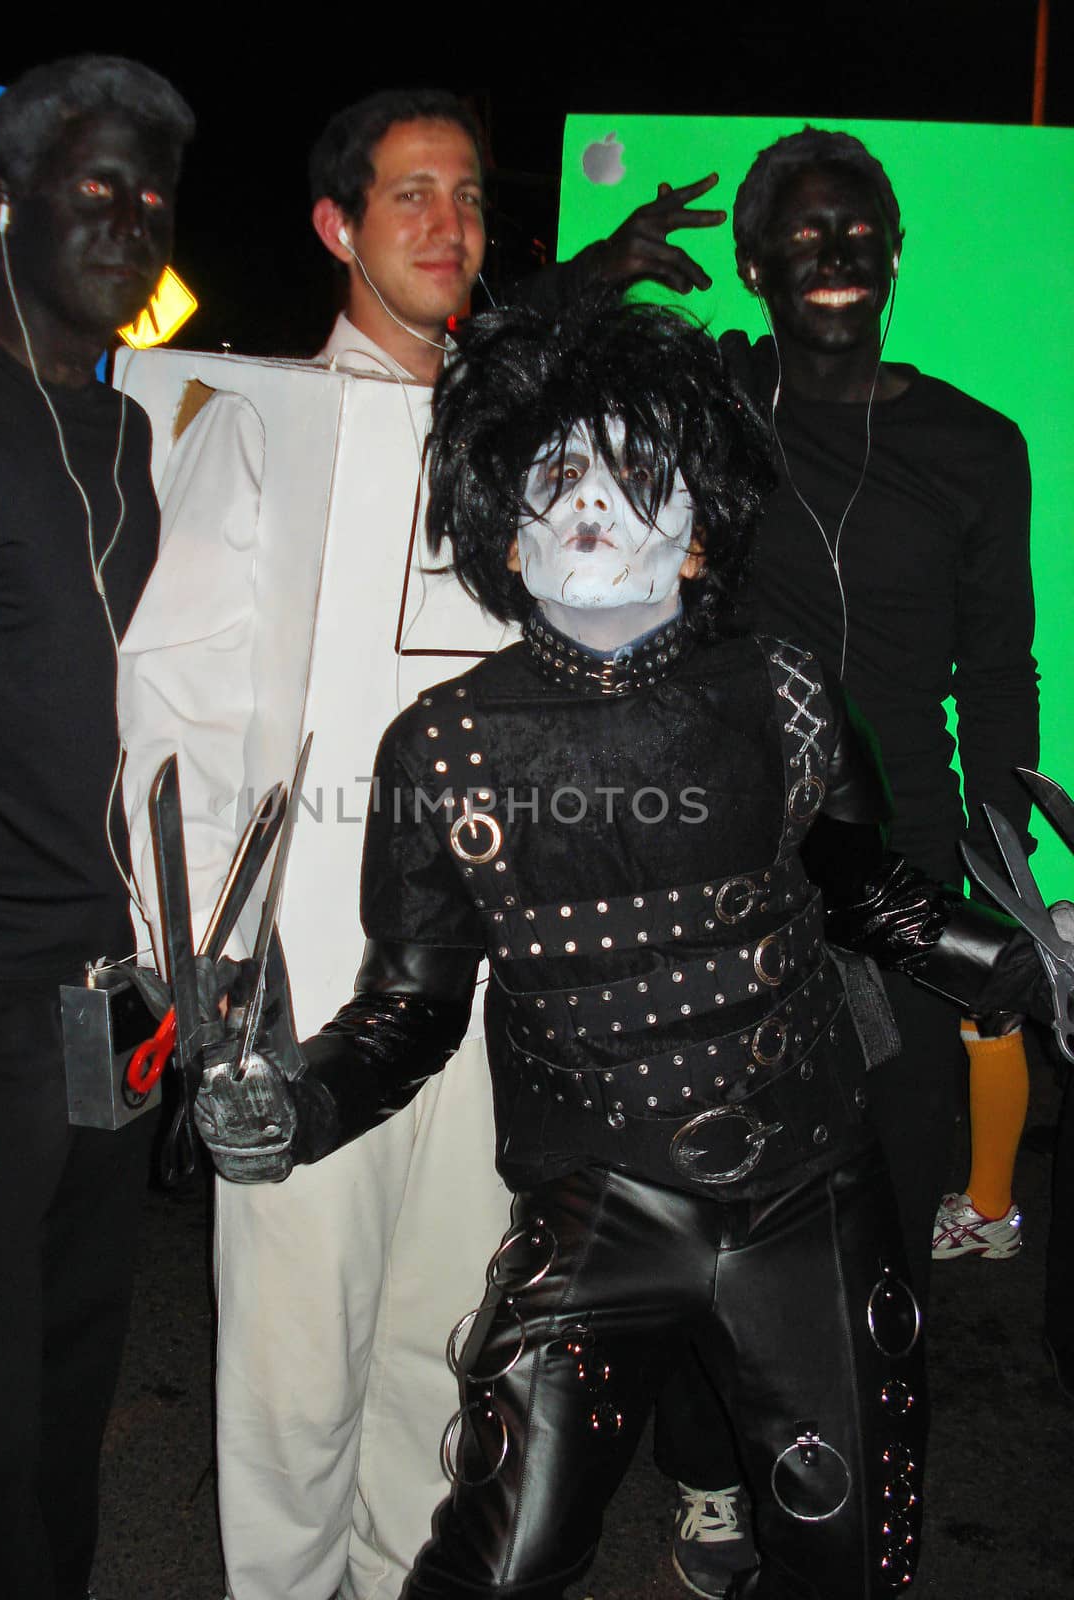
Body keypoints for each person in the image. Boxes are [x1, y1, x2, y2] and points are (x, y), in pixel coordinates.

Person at [190, 291, 1054, 1600]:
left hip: (810, 1202)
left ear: (700, 532)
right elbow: (407, 1014)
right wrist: (298, 1109)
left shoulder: (788, 696)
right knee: (493, 1556)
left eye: (633, 470)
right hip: (598, 1209)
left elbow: (870, 900)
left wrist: (1028, 970)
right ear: (504, 532)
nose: (592, 500)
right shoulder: (445, 751)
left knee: (852, 1560)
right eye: (557, 472)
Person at [525, 128, 1038, 1595]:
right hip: (721, 879)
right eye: (802, 233)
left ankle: (850, 1502)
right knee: (700, 1201)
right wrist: (596, 278)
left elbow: (999, 684)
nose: (836, 251)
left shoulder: (976, 446)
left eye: (860, 227)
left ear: (893, 255)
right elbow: (508, 390)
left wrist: (1010, 897)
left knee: (882, 1209)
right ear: (755, 265)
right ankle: (708, 1471)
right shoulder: (712, 408)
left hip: (902, 897)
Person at [118, 90, 510, 1600]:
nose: (445, 225)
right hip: (311, 982)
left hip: (487, 996)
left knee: (448, 1341)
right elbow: (172, 708)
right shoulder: (266, 430)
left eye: (466, 194)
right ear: (339, 227)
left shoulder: (532, 437)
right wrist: (205, 979)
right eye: (407, 196)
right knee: (293, 1362)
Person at [0, 55, 193, 1600]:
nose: (129, 221)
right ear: (5, 207)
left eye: (149, 198)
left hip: (107, 1014)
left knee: (72, 1406)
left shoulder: (128, 446)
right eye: (94, 189)